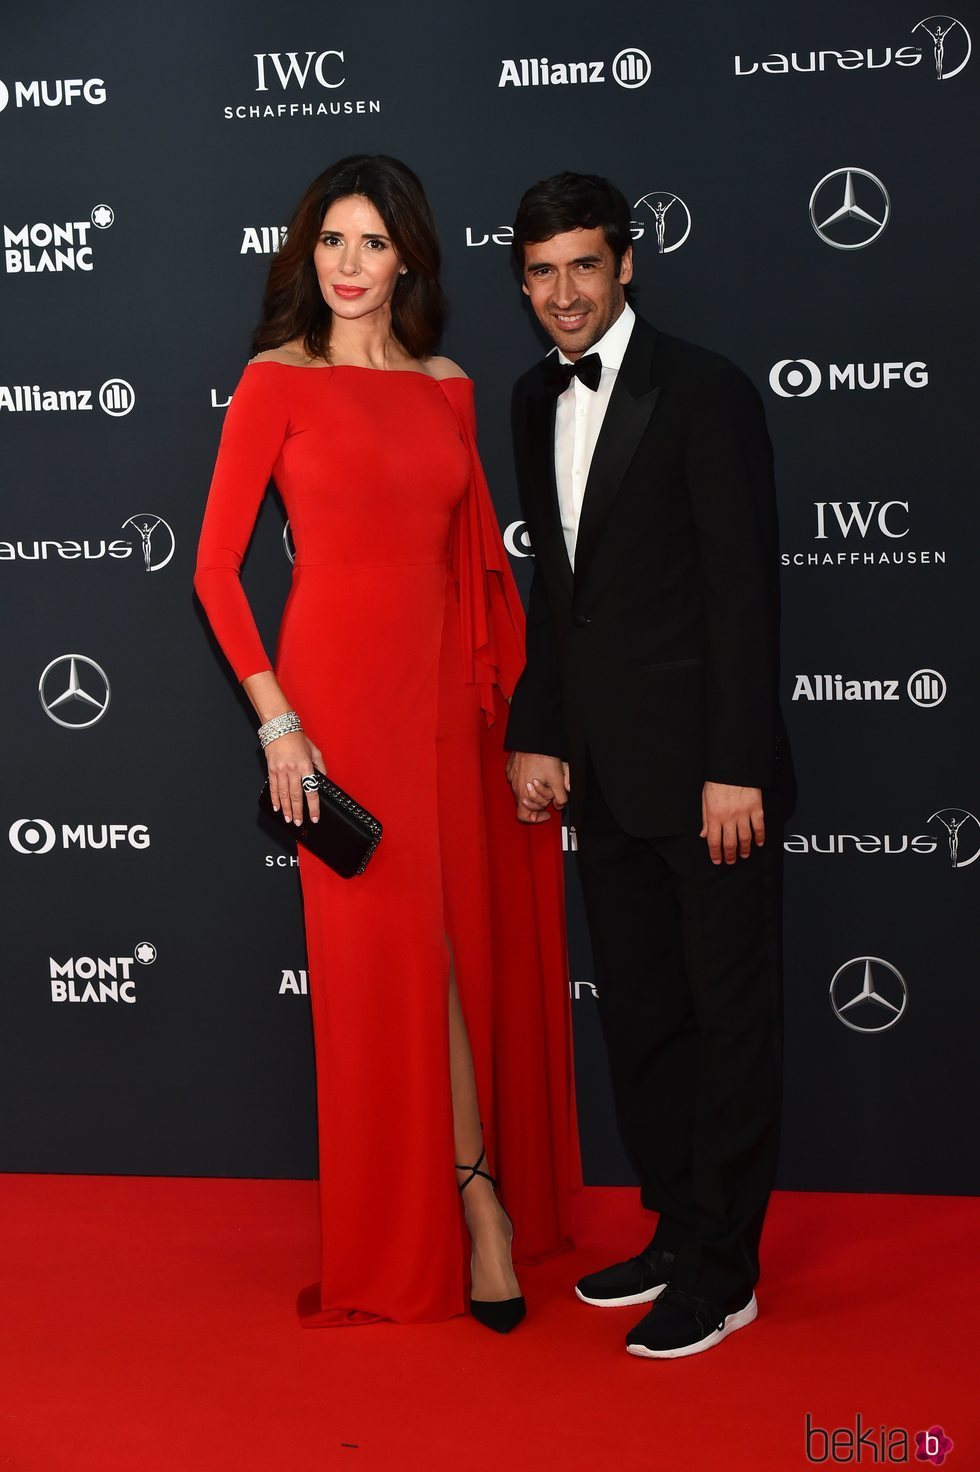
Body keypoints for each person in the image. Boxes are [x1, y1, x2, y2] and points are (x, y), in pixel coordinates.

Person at [194, 155, 578, 1332]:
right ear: (306, 255)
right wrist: (278, 725)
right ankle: (475, 1211)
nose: (348, 267)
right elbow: (214, 570)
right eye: (329, 243)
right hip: (334, 706)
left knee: (457, 945)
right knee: (389, 963)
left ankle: (476, 1198)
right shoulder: (274, 380)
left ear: (408, 253)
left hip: (447, 702)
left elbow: (481, 567)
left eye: (369, 243)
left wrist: (517, 713)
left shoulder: (449, 387)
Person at [504, 172, 789, 1359]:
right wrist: (539, 725)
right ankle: (674, 1229)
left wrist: (736, 762)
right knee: (642, 1018)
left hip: (707, 776)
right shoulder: (529, 398)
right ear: (519, 284)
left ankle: (725, 1267)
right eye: (538, 273)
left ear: (626, 263)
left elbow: (741, 588)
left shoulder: (706, 389)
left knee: (728, 1021)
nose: (562, 294)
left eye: (581, 265)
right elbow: (557, 593)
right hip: (604, 774)